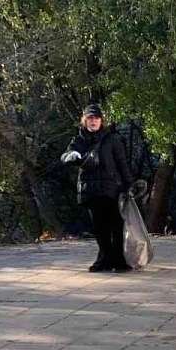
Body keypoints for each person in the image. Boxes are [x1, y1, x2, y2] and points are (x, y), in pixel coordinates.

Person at [61, 103, 133, 272]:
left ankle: (118, 260)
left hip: (112, 189)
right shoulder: (79, 140)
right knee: (100, 228)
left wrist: (129, 185)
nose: (93, 121)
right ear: (84, 121)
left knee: (116, 225)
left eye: (96, 118)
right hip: (91, 190)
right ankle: (104, 259)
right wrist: (72, 156)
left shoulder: (112, 139)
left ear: (101, 121)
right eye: (90, 118)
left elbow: (122, 163)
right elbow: (65, 156)